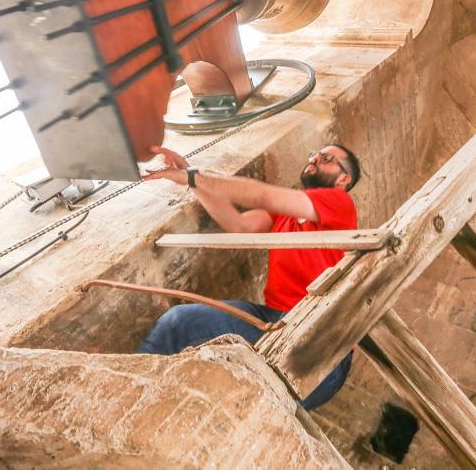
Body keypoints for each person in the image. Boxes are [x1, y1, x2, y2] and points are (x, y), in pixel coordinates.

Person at [137, 142, 362, 410]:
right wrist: (192, 179)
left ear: (343, 179)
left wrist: (193, 175)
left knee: (182, 326)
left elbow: (262, 195)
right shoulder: (286, 215)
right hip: (276, 321)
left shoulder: (340, 203)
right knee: (182, 324)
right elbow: (239, 225)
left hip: (320, 350)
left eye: (325, 158)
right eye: (314, 153)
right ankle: (135, 391)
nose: (314, 158)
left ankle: (131, 394)